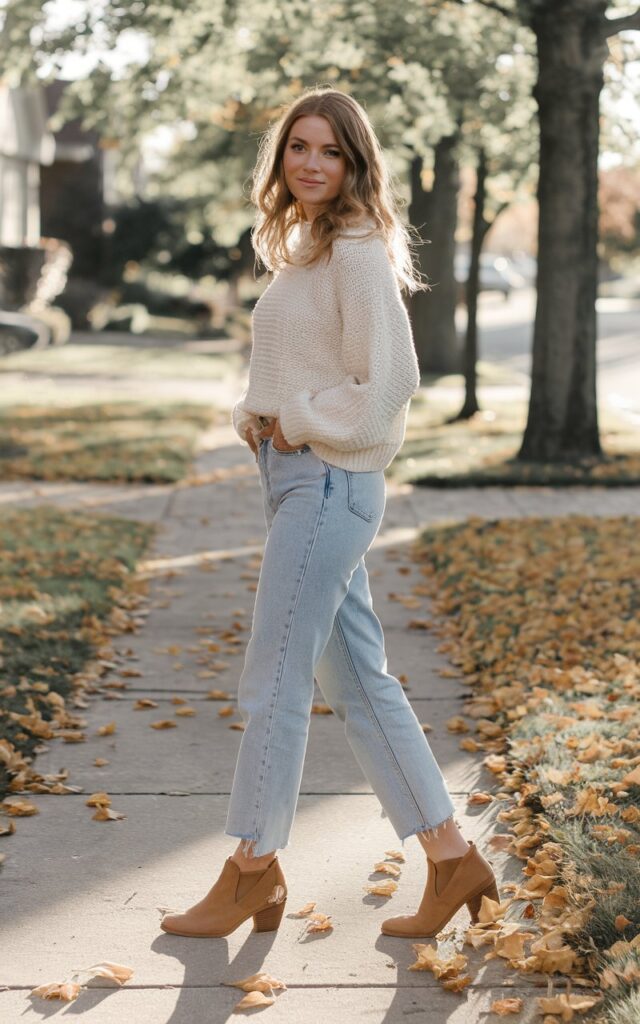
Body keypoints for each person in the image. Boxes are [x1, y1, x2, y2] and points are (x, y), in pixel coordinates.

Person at [160, 87, 497, 942]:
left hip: (330, 485)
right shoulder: (307, 248)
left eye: (330, 151)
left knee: (273, 673)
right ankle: (454, 859)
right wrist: (259, 417)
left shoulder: (355, 249)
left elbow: (388, 385)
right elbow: (292, 363)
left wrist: (298, 423)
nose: (310, 163)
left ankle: (250, 866)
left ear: (354, 163)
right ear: (282, 158)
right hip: (301, 480)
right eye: (298, 147)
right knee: (358, 684)